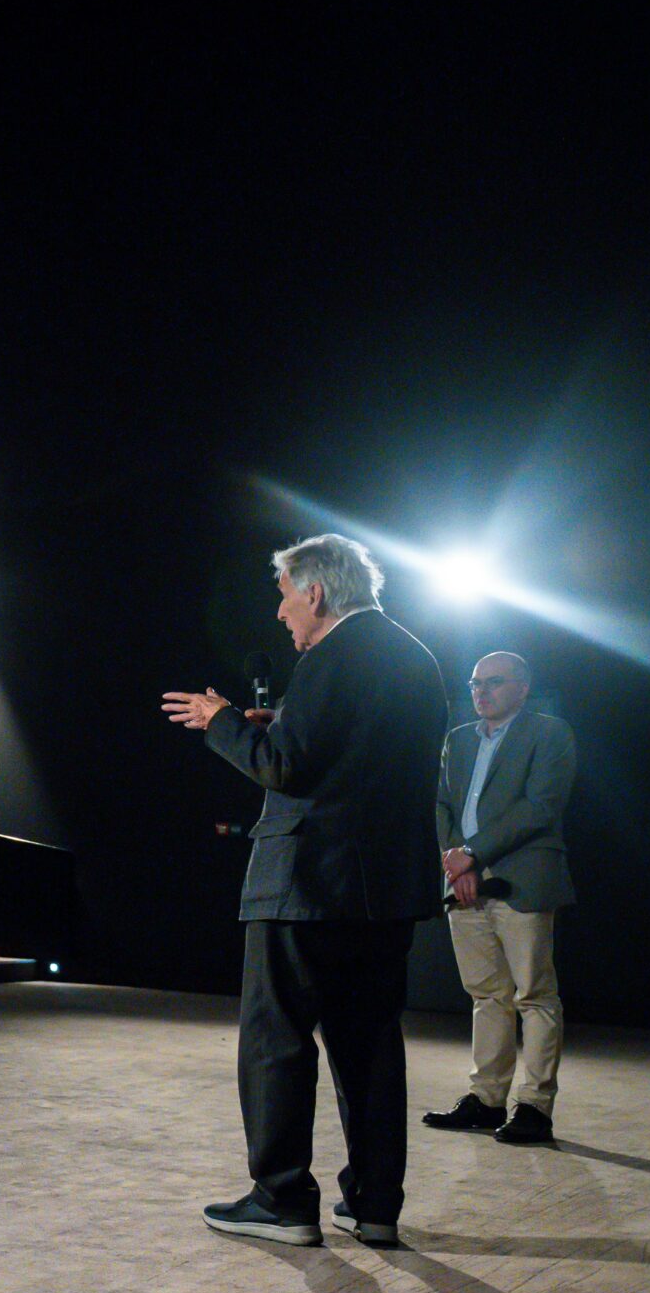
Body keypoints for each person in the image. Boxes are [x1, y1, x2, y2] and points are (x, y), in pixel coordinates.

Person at [162, 532, 446, 1248]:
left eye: (285, 597)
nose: (283, 613)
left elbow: (285, 769)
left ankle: (282, 1199)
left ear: (315, 591)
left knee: (276, 1038)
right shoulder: (417, 658)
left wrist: (222, 722)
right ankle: (374, 1204)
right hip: (384, 889)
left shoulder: (329, 656)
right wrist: (281, 721)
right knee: (372, 1045)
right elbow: (358, 756)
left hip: (305, 884)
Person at [423, 650, 577, 1146]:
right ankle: (487, 1100)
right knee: (486, 995)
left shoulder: (550, 734)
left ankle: (533, 1106)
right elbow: (442, 803)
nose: (481, 692)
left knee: (533, 994)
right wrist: (455, 858)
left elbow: (540, 806)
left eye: (493, 682)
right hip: (464, 878)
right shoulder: (458, 740)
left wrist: (472, 853)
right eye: (474, 683)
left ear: (522, 688)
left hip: (522, 880)